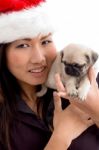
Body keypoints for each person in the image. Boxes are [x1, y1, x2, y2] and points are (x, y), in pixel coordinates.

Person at [0, 0, 99, 150]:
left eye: (46, 41)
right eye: (23, 45)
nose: (39, 58)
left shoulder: (90, 84)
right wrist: (62, 135)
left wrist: (96, 108)